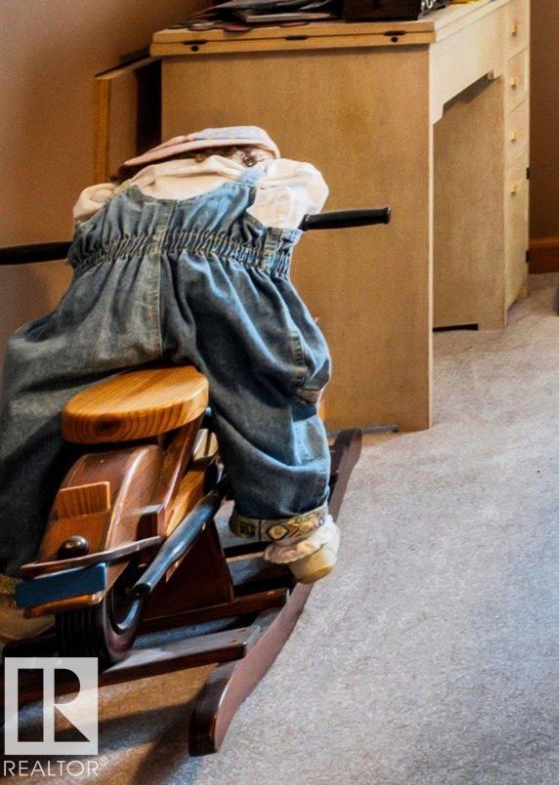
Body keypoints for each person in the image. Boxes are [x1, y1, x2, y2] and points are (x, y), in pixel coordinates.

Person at [0, 127, 342, 642]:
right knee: (267, 389)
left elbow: (83, 229)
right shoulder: (274, 178)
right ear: (244, 156)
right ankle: (298, 528)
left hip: (108, 314)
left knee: (33, 407)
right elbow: (310, 191)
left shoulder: (106, 200)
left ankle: (14, 575)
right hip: (223, 304)